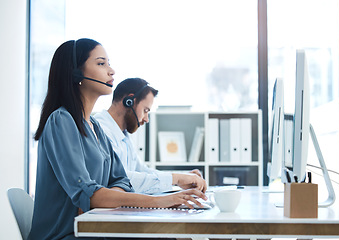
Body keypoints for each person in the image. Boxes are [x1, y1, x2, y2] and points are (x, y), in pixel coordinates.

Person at [28, 38, 206, 240]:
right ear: (76, 73)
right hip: (67, 235)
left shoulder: (95, 127)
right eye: (101, 63)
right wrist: (162, 201)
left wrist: (106, 196)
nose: (111, 71)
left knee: (174, 236)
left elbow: (121, 179)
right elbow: (87, 193)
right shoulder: (61, 121)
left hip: (96, 229)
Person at [94, 78, 207, 194]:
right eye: (145, 110)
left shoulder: (123, 134)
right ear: (129, 101)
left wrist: (182, 177)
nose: (146, 119)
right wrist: (176, 178)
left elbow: (143, 171)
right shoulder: (100, 130)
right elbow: (120, 179)